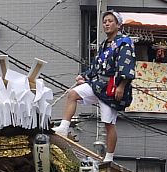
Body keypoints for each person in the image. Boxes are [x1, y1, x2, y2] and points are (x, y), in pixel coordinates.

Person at [53, 9, 136, 162]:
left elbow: (127, 65)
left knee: (108, 124)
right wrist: (84, 76)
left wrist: (122, 86)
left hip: (112, 87)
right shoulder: (104, 44)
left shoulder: (124, 42)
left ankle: (109, 157)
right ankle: (64, 128)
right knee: (72, 94)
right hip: (98, 84)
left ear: (118, 24)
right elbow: (96, 67)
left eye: (110, 21)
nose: (106, 24)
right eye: (104, 22)